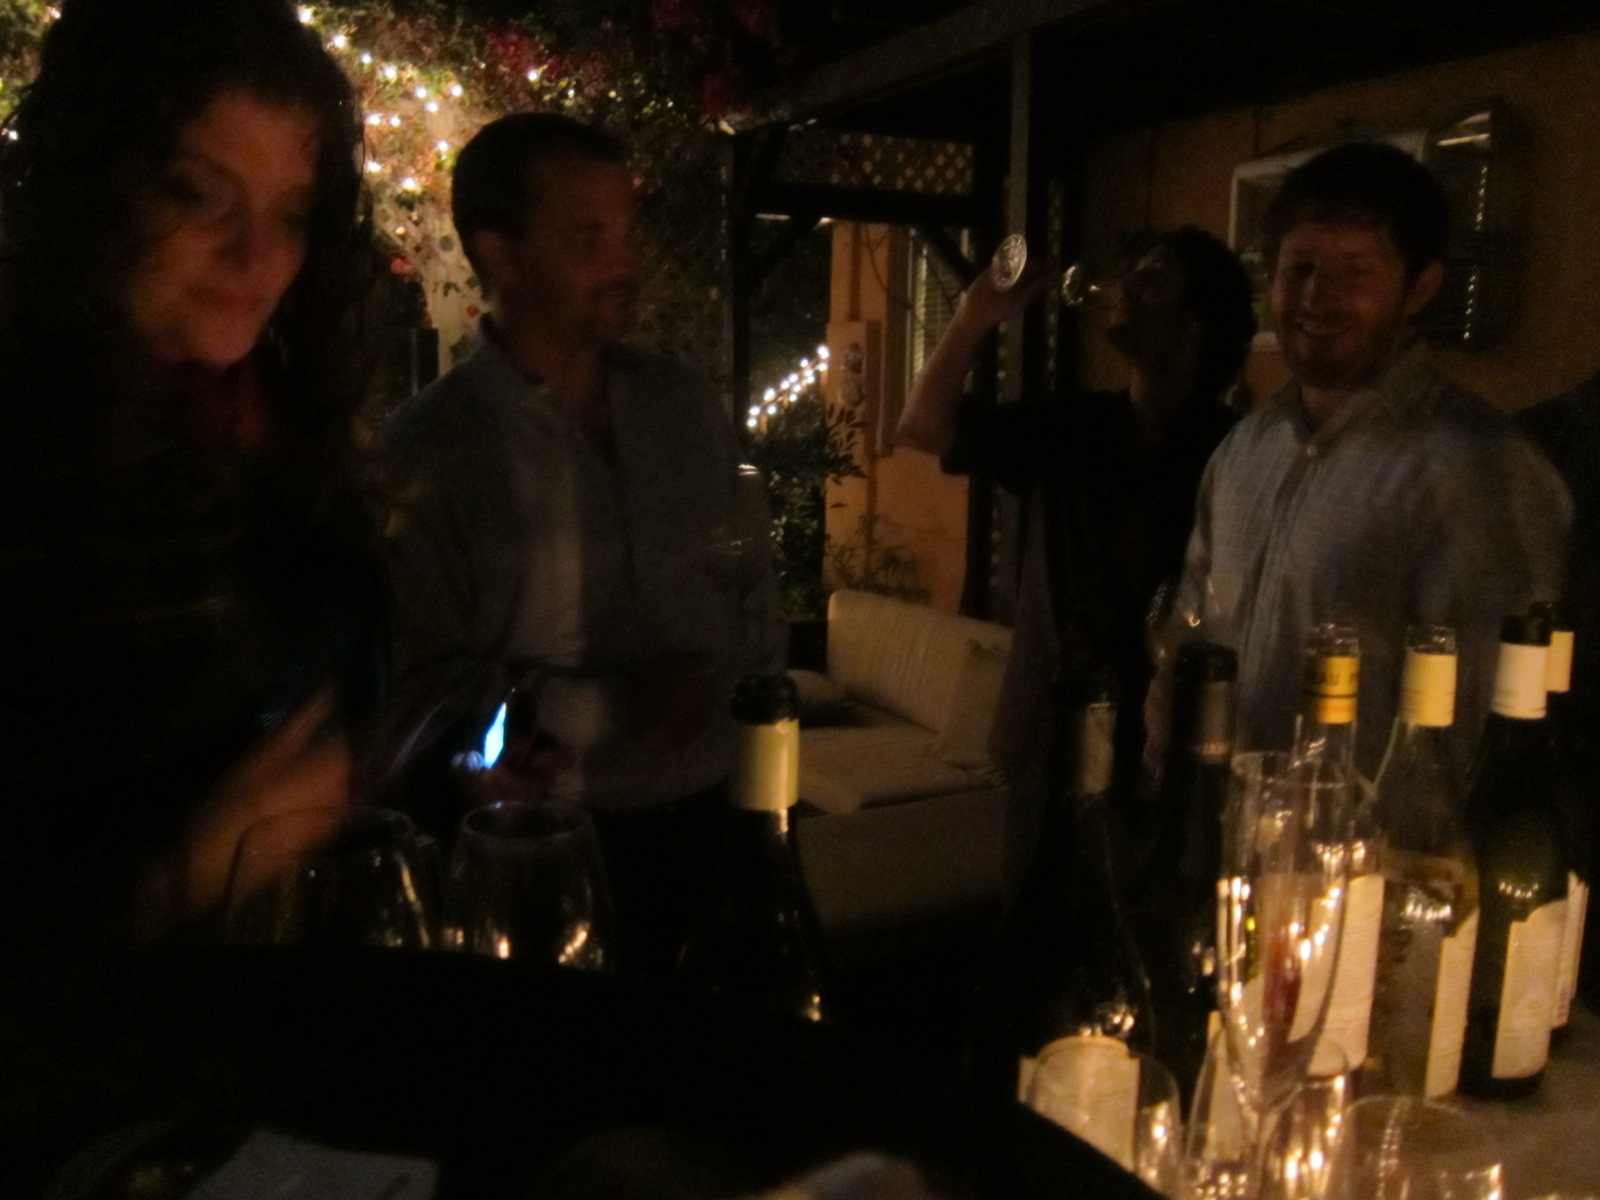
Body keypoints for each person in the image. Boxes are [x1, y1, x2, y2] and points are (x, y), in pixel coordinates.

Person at [0, 0, 379, 952]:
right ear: (95, 191)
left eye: (289, 213)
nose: (255, 257)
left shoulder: (274, 433)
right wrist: (177, 880)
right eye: (194, 192)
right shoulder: (31, 466)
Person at [380, 113, 785, 975]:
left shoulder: (686, 410)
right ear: (501, 256)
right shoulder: (433, 451)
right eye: (587, 236)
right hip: (533, 855)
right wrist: (609, 709)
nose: (624, 261)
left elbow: (752, 600)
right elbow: (414, 695)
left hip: (714, 827)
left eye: (626, 231)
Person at [1157, 141, 1569, 778]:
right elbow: (1192, 630)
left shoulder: (1477, 468)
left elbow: (1484, 731)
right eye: (1300, 270)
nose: (1317, 299)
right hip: (1222, 835)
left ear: (1419, 287)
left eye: (1356, 273)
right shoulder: (1245, 450)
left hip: (1367, 861)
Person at [896, 227, 1256, 868]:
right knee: (1029, 944)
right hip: (1044, 740)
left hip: (1157, 754)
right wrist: (973, 318)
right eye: (1131, 274)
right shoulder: (1076, 425)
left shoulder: (1236, 453)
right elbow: (923, 426)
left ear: (1197, 325)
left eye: (1154, 281)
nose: (1125, 292)